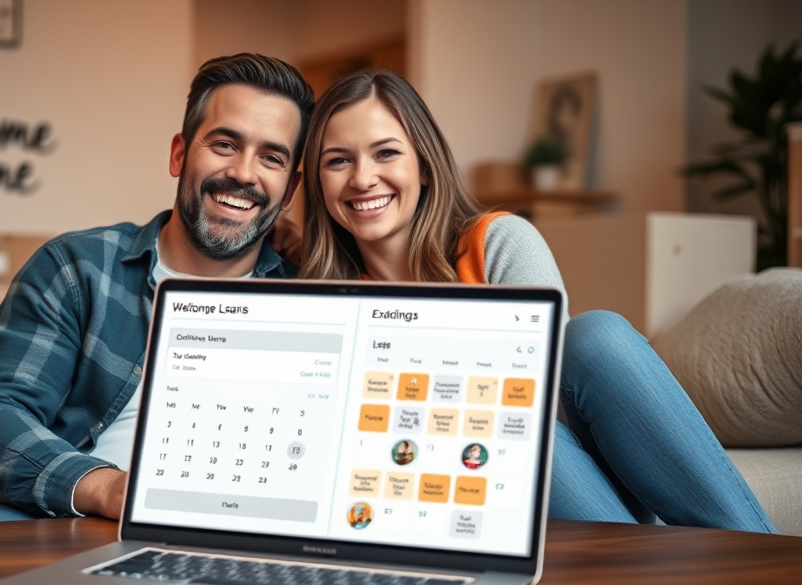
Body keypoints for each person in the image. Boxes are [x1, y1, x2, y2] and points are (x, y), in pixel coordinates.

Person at [298, 70, 776, 533]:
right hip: (458, 477)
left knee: (594, 337)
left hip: (565, 465)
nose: (362, 178)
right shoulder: (323, 297)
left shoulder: (499, 242)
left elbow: (542, 402)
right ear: (318, 181)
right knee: (505, 429)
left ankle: (768, 569)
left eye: (385, 153)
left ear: (423, 165)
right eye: (337, 160)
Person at [0, 53, 314, 523]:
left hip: (226, 526)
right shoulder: (78, 268)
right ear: (179, 154)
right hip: (61, 517)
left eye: (272, 158)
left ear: (290, 188)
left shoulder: (305, 299)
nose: (244, 173)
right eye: (225, 144)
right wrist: (105, 488)